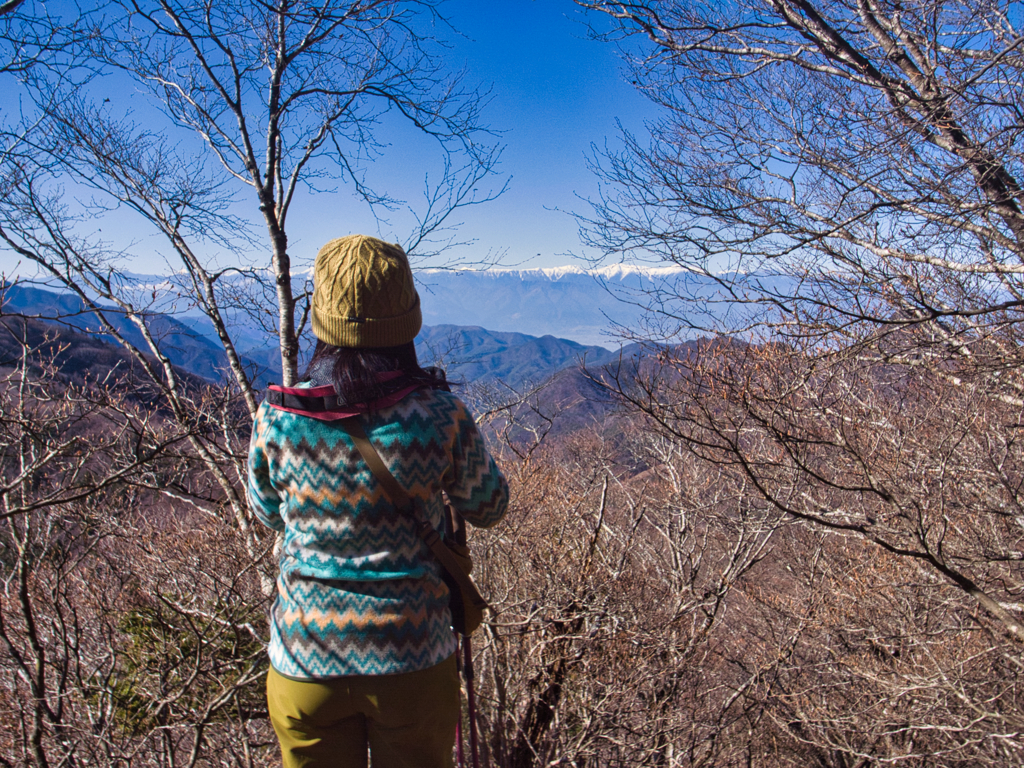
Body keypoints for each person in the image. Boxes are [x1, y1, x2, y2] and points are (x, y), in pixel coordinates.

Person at [247, 234, 509, 768]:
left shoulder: (277, 418)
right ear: (408, 318)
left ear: (321, 319)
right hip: (412, 657)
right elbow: (489, 507)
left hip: (305, 656)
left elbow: (268, 511)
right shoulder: (440, 414)